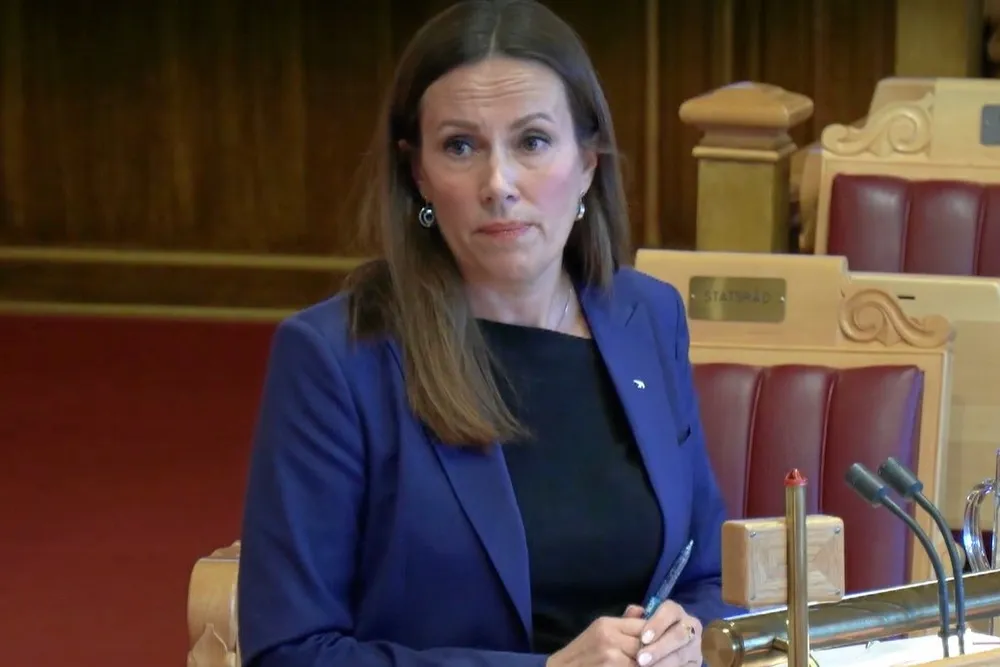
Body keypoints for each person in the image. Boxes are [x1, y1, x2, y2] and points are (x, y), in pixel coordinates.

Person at [237, 1, 741, 666]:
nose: (498, 184)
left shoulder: (647, 316)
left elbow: (708, 575)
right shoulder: (336, 357)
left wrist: (689, 638)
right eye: (460, 146)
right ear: (418, 173)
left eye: (532, 142)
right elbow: (289, 652)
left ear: (588, 162)